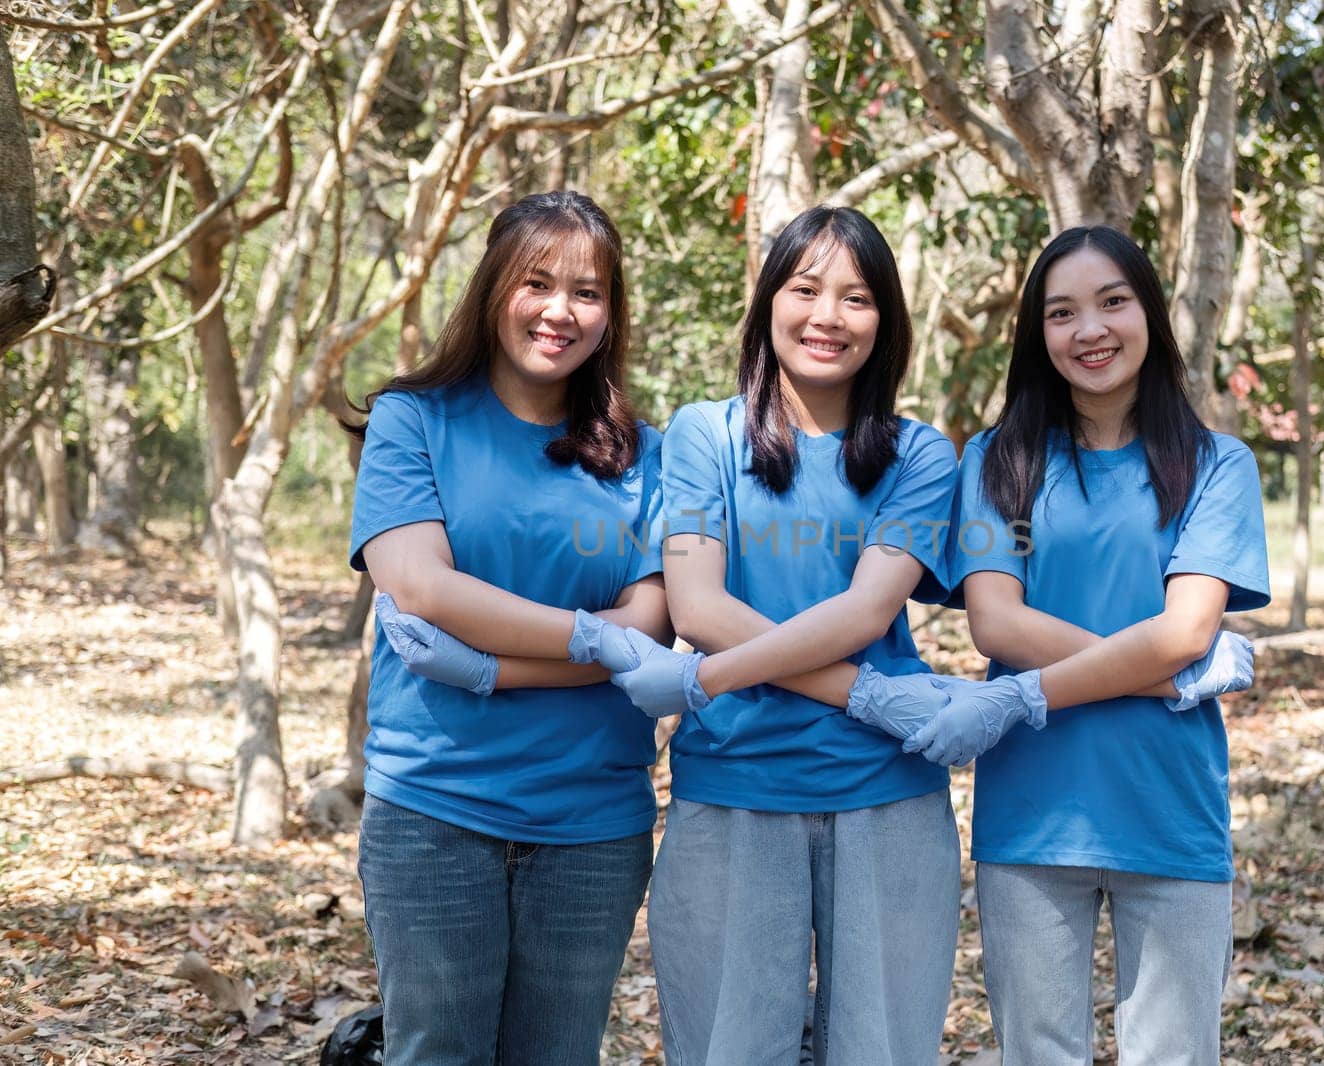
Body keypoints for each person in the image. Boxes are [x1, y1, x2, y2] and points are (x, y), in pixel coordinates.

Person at [597, 205, 963, 1065]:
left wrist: (708, 678)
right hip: (733, 790)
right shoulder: (704, 433)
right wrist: (869, 695)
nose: (828, 316)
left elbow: (868, 613)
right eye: (805, 289)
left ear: (887, 322)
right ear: (768, 303)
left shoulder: (920, 456)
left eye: (857, 297)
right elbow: (697, 608)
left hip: (886, 796)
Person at [914, 224, 1269, 1066]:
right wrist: (1166, 677)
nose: (1091, 330)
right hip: (1033, 815)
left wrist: (1068, 678)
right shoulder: (999, 461)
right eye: (1061, 312)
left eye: (1113, 302)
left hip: (1171, 810)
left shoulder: (1218, 466)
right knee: (1037, 1053)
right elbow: (996, 623)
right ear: (1038, 336)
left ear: (1149, 311)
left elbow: (1187, 631)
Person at [346, 191, 671, 1066]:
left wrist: (492, 670)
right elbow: (421, 586)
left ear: (612, 313)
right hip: (436, 804)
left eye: (588, 291)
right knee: (434, 1053)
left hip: (594, 819)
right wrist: (593, 638)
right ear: (494, 288)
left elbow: (647, 626)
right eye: (537, 282)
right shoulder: (411, 421)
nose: (560, 310)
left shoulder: (646, 453)